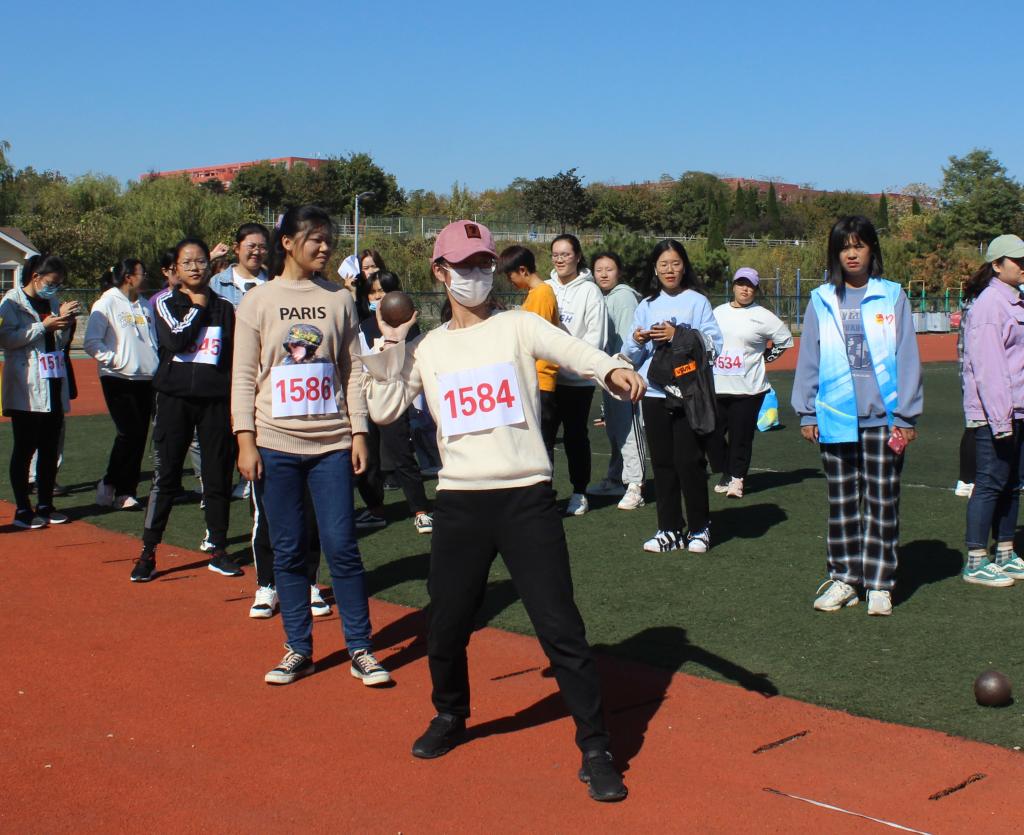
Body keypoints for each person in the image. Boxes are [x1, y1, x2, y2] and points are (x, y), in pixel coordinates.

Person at [362, 219, 645, 803]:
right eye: (464, 265)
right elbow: (385, 408)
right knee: (445, 624)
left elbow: (574, 351)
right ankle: (450, 714)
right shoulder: (428, 348)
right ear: (440, 272)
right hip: (460, 504)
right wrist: (391, 341)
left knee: (560, 628)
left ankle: (596, 747)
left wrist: (611, 368)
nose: (476, 275)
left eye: (483, 264)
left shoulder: (518, 325)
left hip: (525, 499)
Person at [233, 205, 391, 687]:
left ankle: (360, 648)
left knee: (342, 547)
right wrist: (245, 439)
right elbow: (243, 375)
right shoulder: (258, 301)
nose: (325, 247)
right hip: (274, 444)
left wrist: (359, 431)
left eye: (328, 239)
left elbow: (353, 369)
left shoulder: (339, 299)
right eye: (315, 238)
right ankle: (298, 648)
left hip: (331, 446)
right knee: (288, 550)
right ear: (287, 242)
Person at [792, 216, 922, 616]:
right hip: (835, 419)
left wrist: (905, 416)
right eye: (844, 247)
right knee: (843, 503)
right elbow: (809, 356)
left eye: (859, 245)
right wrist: (807, 410)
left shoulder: (892, 295)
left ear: (871, 250)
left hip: (883, 420)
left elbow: (907, 356)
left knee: (883, 502)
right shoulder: (822, 299)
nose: (851, 253)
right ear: (835, 253)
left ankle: (880, 583)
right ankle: (846, 578)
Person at [131, 237, 242, 582]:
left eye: (201, 262)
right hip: (174, 400)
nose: (195, 268)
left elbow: (231, 355)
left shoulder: (225, 307)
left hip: (215, 402)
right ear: (175, 269)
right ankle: (148, 551)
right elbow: (176, 341)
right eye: (187, 262)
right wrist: (196, 306)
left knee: (217, 476)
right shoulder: (165, 302)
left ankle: (218, 548)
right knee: (166, 477)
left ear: (211, 265)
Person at [624, 240, 723, 554]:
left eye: (676, 263)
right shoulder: (646, 305)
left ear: (684, 266)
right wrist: (638, 339)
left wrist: (677, 334)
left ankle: (699, 527)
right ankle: (668, 528)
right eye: (664, 264)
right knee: (663, 463)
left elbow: (714, 345)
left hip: (687, 394)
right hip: (654, 393)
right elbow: (630, 356)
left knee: (689, 462)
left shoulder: (697, 302)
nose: (670, 270)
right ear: (655, 269)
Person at [959, 234, 1024, 587]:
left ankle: (1005, 552)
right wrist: (1001, 420)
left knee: (1012, 483)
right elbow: (990, 368)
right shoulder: (990, 305)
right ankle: (976, 558)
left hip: (1017, 410)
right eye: (1018, 261)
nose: (1023, 266)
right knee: (990, 482)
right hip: (995, 413)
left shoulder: (1015, 301)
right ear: (997, 265)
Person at [0, 254, 78, 528]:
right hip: (26, 383)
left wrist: (65, 324)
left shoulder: (52, 302)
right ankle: (23, 508)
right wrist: (42, 326)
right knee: (24, 447)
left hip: (52, 379)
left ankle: (45, 504)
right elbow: (7, 339)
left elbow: (59, 342)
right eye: (51, 283)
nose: (54, 288)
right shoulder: (12, 302)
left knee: (49, 447)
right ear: (36, 277)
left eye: (58, 284)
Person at [352, 271, 433, 533]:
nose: (379, 297)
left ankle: (420, 510)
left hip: (396, 397)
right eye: (373, 292)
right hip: (368, 396)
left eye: (383, 291)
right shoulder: (362, 326)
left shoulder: (409, 328)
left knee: (401, 455)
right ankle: (375, 508)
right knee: (368, 458)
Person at [709, 267, 793, 498]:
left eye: (750, 286)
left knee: (741, 436)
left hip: (749, 388)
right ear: (733, 286)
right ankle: (727, 470)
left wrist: (766, 357)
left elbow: (785, 340)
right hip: (717, 386)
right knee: (711, 434)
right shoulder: (718, 312)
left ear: (756, 290)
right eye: (741, 284)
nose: (745, 289)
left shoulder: (763, 316)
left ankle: (737, 478)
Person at [85, 258, 160, 510]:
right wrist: (116, 360)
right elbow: (92, 342)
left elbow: (152, 339)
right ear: (129, 277)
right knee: (128, 433)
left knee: (139, 436)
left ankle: (125, 491)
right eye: (142, 273)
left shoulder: (145, 305)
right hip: (117, 378)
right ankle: (110, 483)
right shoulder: (106, 303)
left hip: (146, 378)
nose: (146, 277)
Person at [545, 234, 608, 516]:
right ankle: (543, 494)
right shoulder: (545, 288)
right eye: (555, 254)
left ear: (578, 256)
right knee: (543, 439)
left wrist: (571, 361)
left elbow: (596, 337)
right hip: (546, 379)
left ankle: (579, 492)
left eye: (565, 254)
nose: (560, 259)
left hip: (577, 380)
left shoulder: (590, 292)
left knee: (575, 436)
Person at [588, 251, 645, 511]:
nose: (603, 274)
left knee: (628, 428)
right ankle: (615, 478)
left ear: (619, 272)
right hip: (610, 373)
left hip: (623, 373)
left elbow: (627, 341)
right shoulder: (602, 297)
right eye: (598, 269)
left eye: (609, 269)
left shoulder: (622, 297)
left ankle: (635, 485)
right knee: (615, 429)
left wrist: (622, 369)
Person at [498, 245, 560, 460]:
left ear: (523, 270)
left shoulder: (541, 294)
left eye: (510, 276)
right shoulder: (535, 294)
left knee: (541, 446)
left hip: (540, 380)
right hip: (533, 378)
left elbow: (536, 340)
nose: (510, 282)